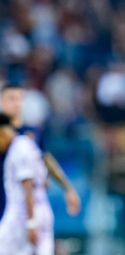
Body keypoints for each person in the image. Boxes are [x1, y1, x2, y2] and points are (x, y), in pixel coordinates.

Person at [0, 84, 81, 220]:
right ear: (2, 101)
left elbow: (45, 159)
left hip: (25, 200)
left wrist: (68, 188)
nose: (16, 103)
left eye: (19, 99)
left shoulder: (34, 131)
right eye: (11, 99)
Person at [0, 113, 54, 254]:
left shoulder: (18, 149)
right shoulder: (29, 144)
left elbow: (27, 185)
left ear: (3, 132)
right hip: (41, 211)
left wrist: (31, 223)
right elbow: (44, 181)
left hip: (22, 214)